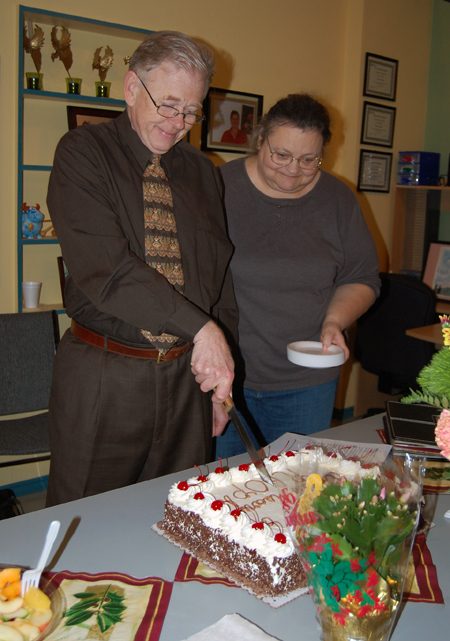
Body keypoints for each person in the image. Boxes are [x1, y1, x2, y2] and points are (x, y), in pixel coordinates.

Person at [45, 31, 237, 506]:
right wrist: (204, 331)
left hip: (186, 379)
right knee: (83, 521)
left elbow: (220, 282)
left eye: (191, 112)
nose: (179, 123)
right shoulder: (82, 153)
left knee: (181, 516)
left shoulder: (202, 171)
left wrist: (222, 377)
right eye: (169, 105)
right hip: (105, 377)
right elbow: (107, 270)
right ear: (132, 88)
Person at [216, 93, 380, 459]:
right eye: (282, 155)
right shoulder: (217, 187)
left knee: (299, 494)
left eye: (309, 159)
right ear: (260, 141)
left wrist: (336, 320)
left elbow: (362, 277)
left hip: (306, 383)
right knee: (223, 493)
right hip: (224, 378)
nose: (294, 169)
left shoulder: (338, 199)